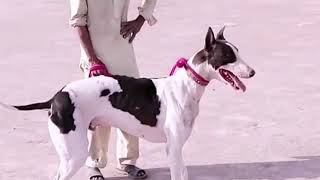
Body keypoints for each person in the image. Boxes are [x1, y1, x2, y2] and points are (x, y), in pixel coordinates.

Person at [68, 0, 157, 179]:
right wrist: (93, 60)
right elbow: (78, 22)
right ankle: (95, 163)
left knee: (132, 106)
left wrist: (141, 19)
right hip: (95, 53)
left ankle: (127, 161)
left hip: (123, 50)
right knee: (97, 110)